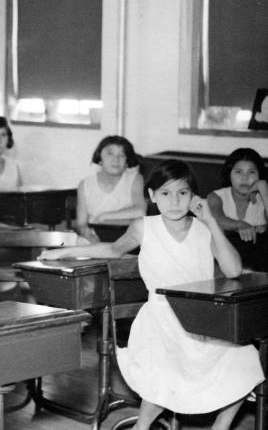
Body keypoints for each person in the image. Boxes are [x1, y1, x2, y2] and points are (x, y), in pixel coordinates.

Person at [40, 159, 264, 430]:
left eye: (183, 193)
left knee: (244, 357)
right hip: (160, 319)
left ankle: (221, 426)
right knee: (167, 365)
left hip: (200, 318)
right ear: (152, 196)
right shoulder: (144, 226)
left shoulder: (203, 229)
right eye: (165, 193)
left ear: (194, 196)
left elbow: (233, 269)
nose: (175, 202)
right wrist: (61, 252)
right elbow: (112, 250)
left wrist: (212, 221)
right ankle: (142, 426)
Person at [76, 135, 146, 242]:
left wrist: (105, 216)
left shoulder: (135, 179)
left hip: (128, 238)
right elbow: (81, 224)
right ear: (99, 158)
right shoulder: (85, 184)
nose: (116, 160)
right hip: (95, 237)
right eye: (110, 154)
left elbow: (140, 211)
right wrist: (90, 238)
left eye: (122, 155)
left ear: (127, 162)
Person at [208, 148, 268, 270]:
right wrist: (240, 224)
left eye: (251, 172)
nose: (245, 178)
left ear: (260, 175)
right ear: (229, 174)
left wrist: (263, 188)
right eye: (238, 172)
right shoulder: (216, 196)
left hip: (260, 265)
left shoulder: (264, 196)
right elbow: (218, 219)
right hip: (225, 264)